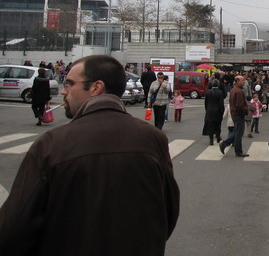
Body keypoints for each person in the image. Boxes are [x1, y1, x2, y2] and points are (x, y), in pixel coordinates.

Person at [0, 55, 180, 255]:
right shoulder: (153, 139)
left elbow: (13, 230)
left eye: (69, 84)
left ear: (96, 87)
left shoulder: (52, 144)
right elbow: (169, 213)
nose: (64, 91)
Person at [220, 75, 249, 157]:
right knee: (239, 133)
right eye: (242, 80)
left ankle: (226, 145)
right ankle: (235, 149)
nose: (243, 81)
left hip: (234, 113)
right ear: (237, 81)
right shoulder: (238, 92)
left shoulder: (233, 90)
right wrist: (245, 110)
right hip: (238, 114)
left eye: (244, 80)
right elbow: (240, 105)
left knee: (237, 132)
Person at [202, 79, 225, 145]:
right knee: (218, 125)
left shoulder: (208, 92)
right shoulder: (220, 92)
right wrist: (222, 111)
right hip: (217, 111)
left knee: (210, 126)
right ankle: (218, 137)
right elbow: (221, 104)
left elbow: (206, 102)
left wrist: (207, 109)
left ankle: (211, 140)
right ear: (218, 85)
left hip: (209, 111)